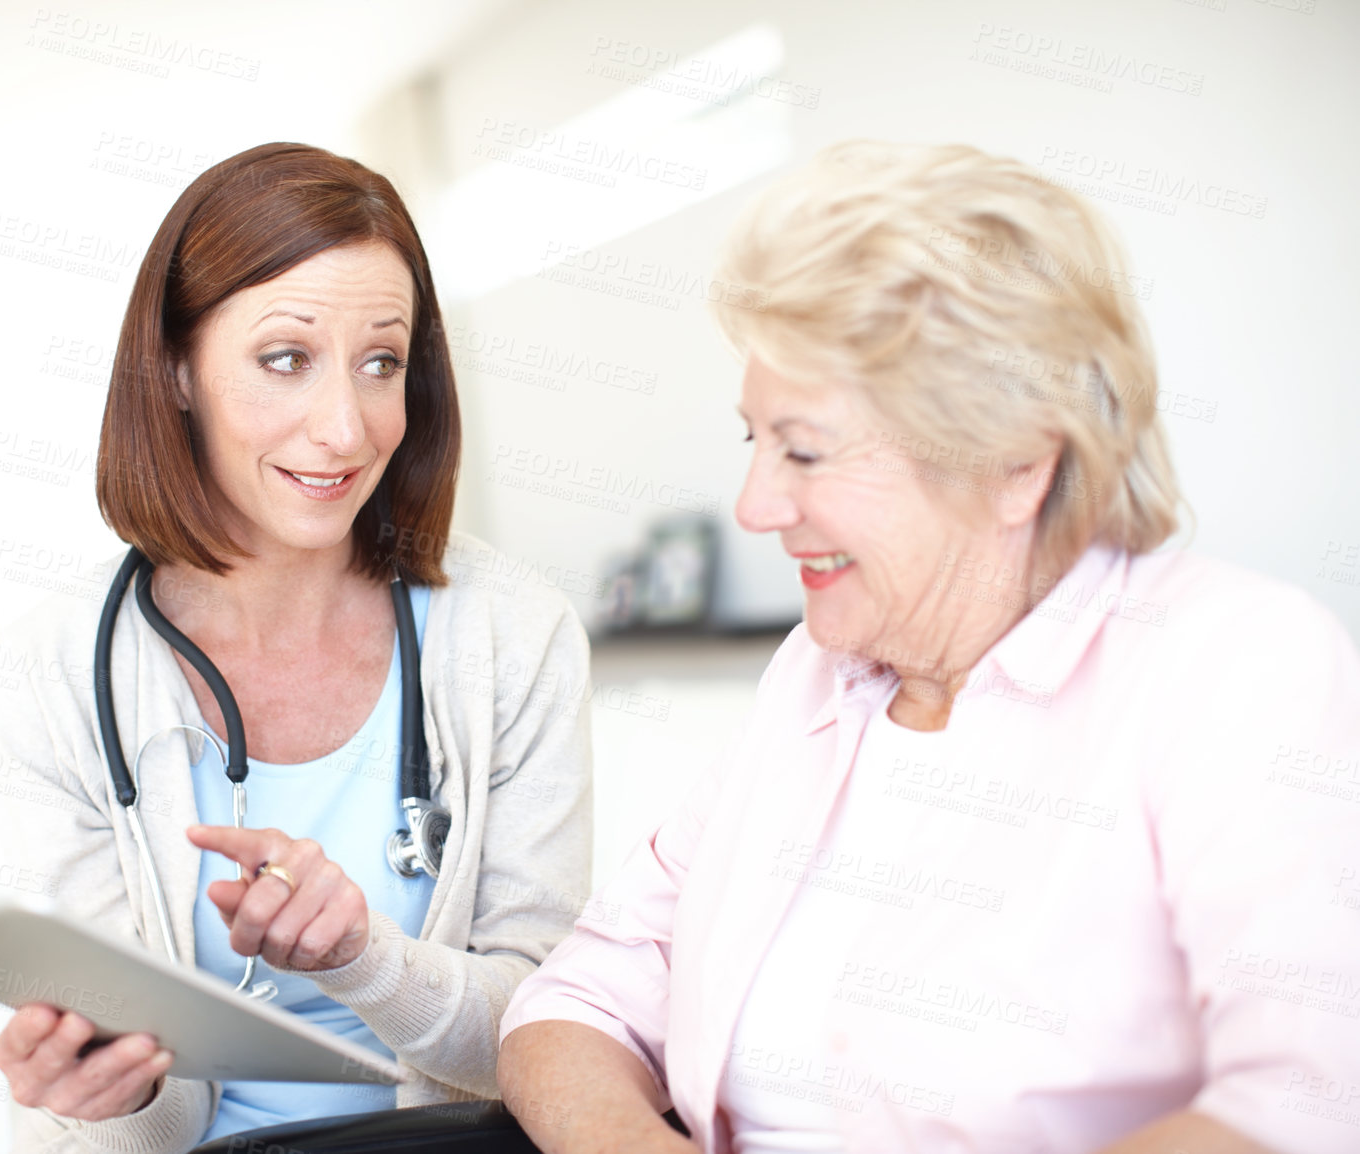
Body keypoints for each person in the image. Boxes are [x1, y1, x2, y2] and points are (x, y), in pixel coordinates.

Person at [497, 141, 1360, 1154]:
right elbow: (579, 995)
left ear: (1014, 464)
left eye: (805, 449)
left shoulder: (1235, 665)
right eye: (755, 440)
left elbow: (1305, 1103)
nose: (755, 504)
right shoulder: (811, 679)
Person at [0, 142, 592, 1153]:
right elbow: (153, 1120)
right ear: (176, 368)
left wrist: (361, 956)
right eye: (285, 358)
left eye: (380, 362)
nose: (345, 427)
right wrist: (105, 1088)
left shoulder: (512, 633)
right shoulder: (46, 682)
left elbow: (545, 1031)